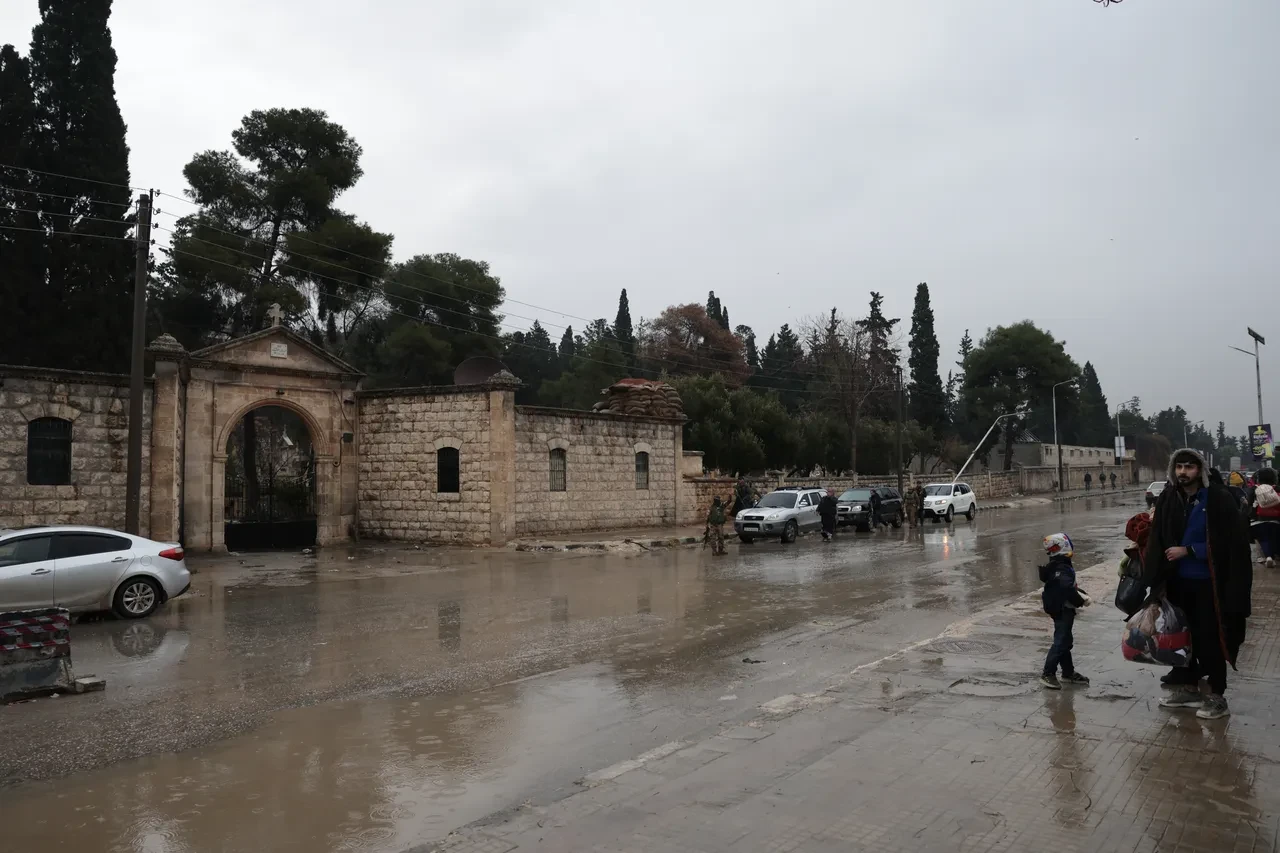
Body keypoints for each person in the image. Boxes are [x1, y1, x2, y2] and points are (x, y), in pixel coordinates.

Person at [1144, 448, 1252, 720]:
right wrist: (1154, 583)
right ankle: (1189, 688)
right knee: (1181, 639)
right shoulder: (1169, 497)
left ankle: (1217, 695)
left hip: (1210, 586)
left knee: (1209, 640)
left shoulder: (1218, 499)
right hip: (1177, 584)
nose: (1183, 472)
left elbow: (1232, 543)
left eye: (1189, 467)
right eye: (1179, 466)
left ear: (1200, 470)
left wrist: (1190, 551)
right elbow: (1158, 539)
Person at [1039, 532, 1092, 689]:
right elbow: (1066, 587)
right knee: (1061, 641)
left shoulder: (1057, 564)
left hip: (1058, 607)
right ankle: (1048, 674)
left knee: (1065, 641)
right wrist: (1080, 600)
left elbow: (1066, 585)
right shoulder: (1062, 566)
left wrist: (1079, 592)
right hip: (1063, 609)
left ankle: (1068, 673)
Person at [1250, 467, 1280, 568]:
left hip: (1259, 519)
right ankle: (1273, 556)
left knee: (1264, 539)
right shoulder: (1277, 488)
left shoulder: (1254, 489)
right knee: (1274, 539)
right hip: (1275, 519)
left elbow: (1248, 503)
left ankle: (1268, 557)